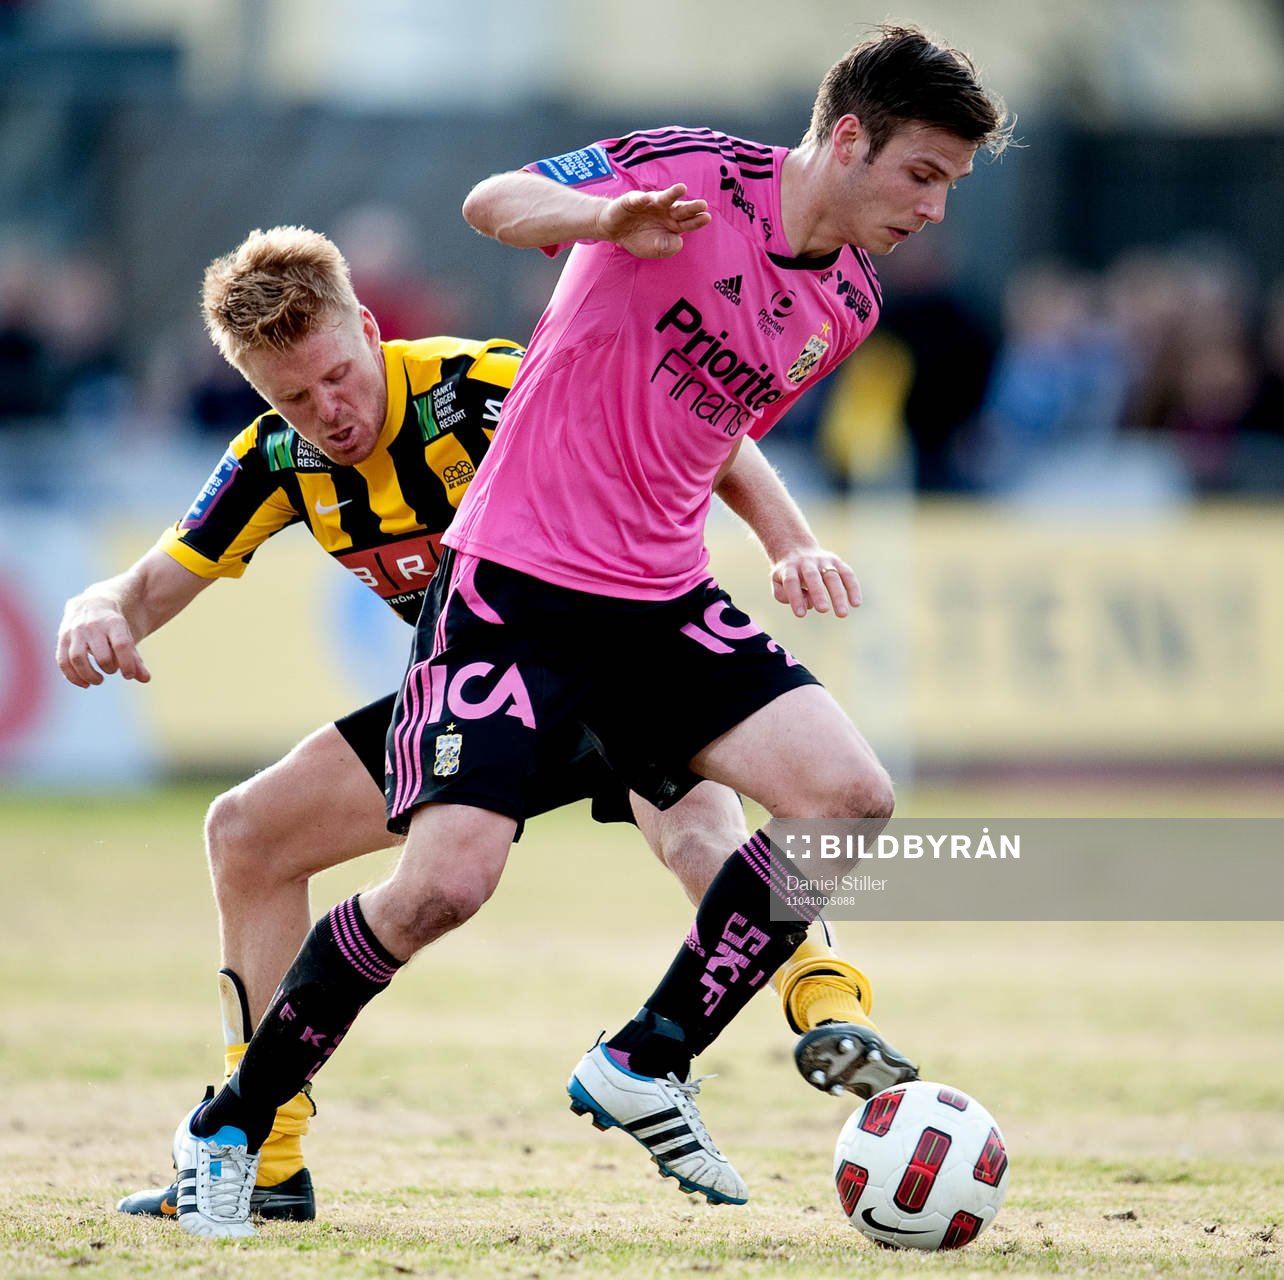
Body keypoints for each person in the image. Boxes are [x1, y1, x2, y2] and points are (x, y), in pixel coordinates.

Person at [161, 23, 1011, 1236]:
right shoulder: (692, 172)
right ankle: (233, 1125)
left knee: (847, 796)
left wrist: (787, 539)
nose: (932, 209)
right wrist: (600, 223)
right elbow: (488, 200)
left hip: (659, 597)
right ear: (847, 138)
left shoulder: (851, 300)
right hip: (515, 580)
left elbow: (712, 427)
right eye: (922, 175)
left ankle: (649, 1055)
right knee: (443, 886)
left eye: (951, 187)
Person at [56, 226, 875, 1230]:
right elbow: (143, 586)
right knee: (248, 833)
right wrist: (96, 608)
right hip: (475, 700)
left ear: (368, 328)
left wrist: (790, 539)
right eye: (294, 398)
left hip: (606, 664)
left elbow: (695, 427)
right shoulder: (275, 459)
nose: (330, 414)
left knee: (709, 831)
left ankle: (827, 1006)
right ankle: (263, 1155)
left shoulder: (483, 386)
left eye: (337, 377)